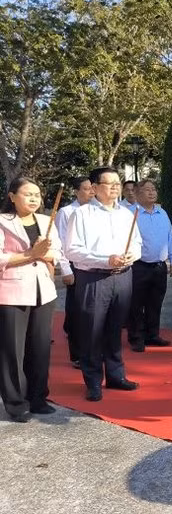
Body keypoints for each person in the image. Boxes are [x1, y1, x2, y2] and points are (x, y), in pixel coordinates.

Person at [65, 167, 142, 402]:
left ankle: (116, 375)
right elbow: (72, 250)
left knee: (115, 328)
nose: (116, 187)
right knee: (92, 331)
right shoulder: (82, 214)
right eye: (109, 183)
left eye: (117, 183)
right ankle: (93, 381)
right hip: (94, 278)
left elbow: (137, 242)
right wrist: (104, 260)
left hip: (123, 276)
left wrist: (132, 256)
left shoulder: (127, 214)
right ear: (96, 187)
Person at [0, 177, 63, 422]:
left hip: (44, 290)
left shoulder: (47, 221)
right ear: (12, 196)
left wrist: (46, 253)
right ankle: (16, 403)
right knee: (12, 350)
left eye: (37, 194)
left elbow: (57, 251)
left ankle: (38, 398)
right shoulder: (3, 222)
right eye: (28, 194)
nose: (34, 198)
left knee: (40, 347)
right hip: (12, 292)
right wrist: (29, 254)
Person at [127, 179, 172, 352]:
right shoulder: (129, 214)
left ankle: (153, 334)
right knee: (136, 303)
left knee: (155, 302)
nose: (151, 192)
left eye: (153, 189)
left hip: (159, 266)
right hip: (138, 265)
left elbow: (170, 236)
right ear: (137, 193)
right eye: (147, 190)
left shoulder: (162, 213)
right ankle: (136, 337)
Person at [55, 176, 94, 368]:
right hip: (75, 266)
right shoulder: (66, 212)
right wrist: (65, 269)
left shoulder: (96, 211)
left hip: (94, 266)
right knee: (77, 311)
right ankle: (77, 355)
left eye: (92, 188)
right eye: (86, 189)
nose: (90, 192)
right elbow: (61, 243)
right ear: (76, 191)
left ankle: (94, 350)